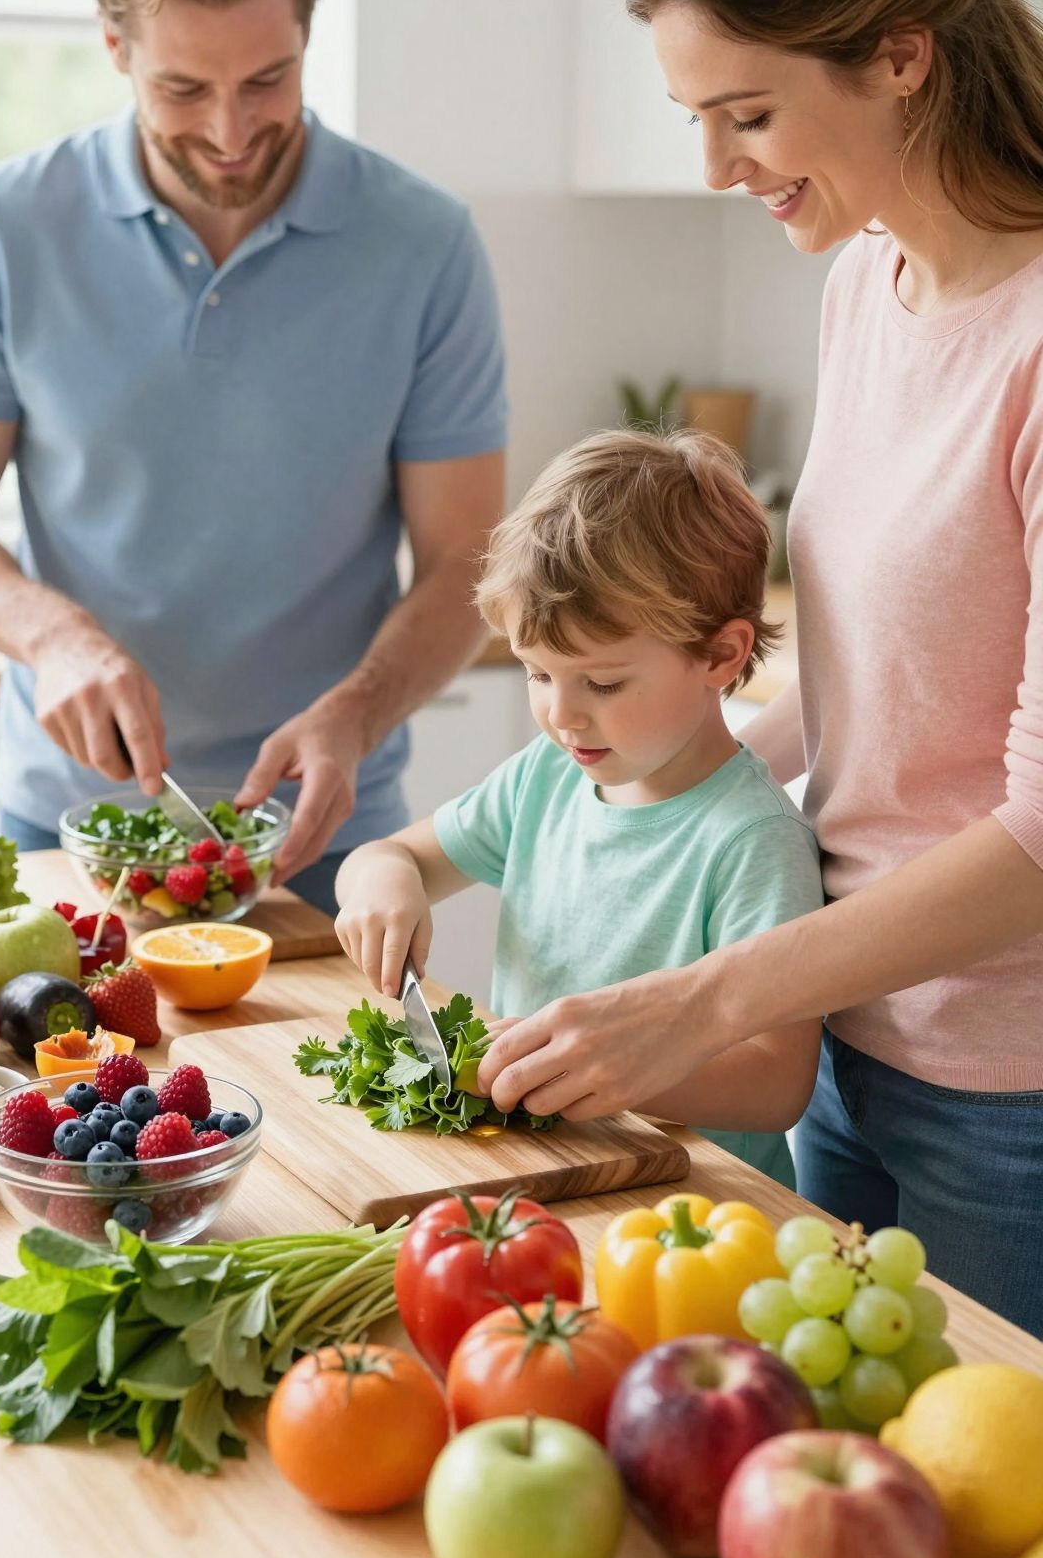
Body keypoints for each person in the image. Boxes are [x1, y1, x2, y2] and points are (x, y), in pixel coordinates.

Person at [477, 0, 1043, 1337]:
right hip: (848, 1033)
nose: (719, 168)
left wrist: (707, 998)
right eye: (694, 118)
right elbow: (868, 687)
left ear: (901, 57)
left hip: (1011, 1091)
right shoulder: (868, 281)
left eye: (748, 115)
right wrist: (623, 747)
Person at [0, 0, 507, 914]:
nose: (230, 133)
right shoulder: (8, 224)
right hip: (65, 827)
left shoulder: (424, 244)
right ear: (115, 47)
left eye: (267, 80)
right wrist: (54, 637)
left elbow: (465, 561)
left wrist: (356, 713)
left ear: (307, 37)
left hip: (321, 830)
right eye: (184, 88)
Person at [334, 428, 825, 1185]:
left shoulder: (754, 839)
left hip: (691, 1204)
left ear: (721, 657)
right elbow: (389, 857)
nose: (562, 716)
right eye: (537, 674)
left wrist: (603, 1070)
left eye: (601, 684)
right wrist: (382, 887)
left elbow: (776, 1085)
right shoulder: (548, 776)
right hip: (548, 1171)